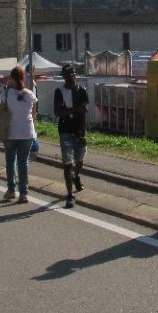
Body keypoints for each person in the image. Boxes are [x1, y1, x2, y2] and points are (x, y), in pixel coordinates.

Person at [54, 64, 88, 209]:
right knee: (68, 164)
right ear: (63, 76)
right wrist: (74, 110)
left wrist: (83, 134)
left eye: (72, 74)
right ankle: (69, 195)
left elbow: (84, 112)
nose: (70, 76)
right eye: (67, 74)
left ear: (75, 75)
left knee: (79, 160)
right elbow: (58, 112)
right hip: (65, 131)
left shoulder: (82, 91)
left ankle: (76, 176)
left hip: (79, 131)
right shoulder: (59, 91)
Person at [3, 65, 38, 204]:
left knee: (10, 161)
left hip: (10, 132)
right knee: (23, 163)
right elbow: (34, 115)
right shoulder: (30, 94)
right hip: (27, 132)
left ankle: (11, 190)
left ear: (11, 78)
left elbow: (1, 110)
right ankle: (23, 193)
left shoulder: (7, 94)